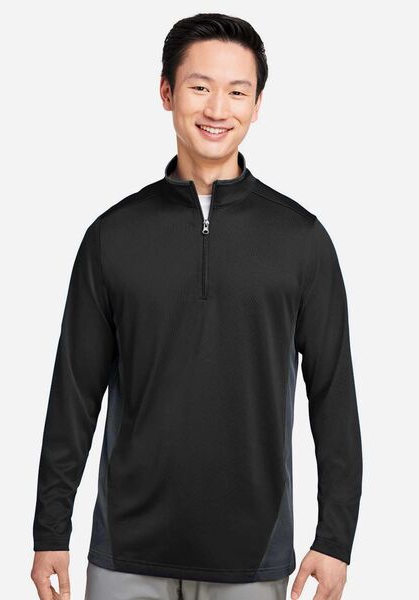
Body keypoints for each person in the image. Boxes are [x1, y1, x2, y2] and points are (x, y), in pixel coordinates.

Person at [30, 12, 363, 600]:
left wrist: (335, 538)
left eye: (237, 92)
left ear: (257, 105)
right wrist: (50, 530)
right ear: (167, 92)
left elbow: (334, 398)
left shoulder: (301, 240)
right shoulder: (113, 236)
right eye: (200, 86)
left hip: (251, 559)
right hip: (126, 552)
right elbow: (73, 396)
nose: (217, 109)